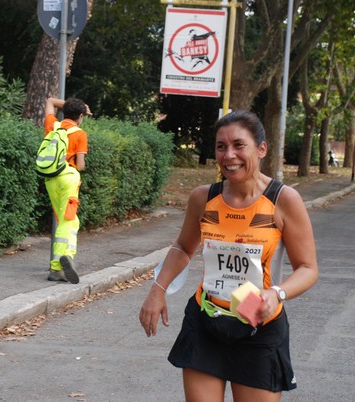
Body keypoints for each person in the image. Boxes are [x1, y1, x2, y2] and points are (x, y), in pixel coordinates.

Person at [139, 111, 318, 401]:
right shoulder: (203, 197)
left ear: (261, 149)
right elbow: (183, 247)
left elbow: (308, 268)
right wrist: (157, 290)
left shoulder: (282, 200)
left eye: (238, 145)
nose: (229, 155)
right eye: (221, 147)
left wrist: (277, 293)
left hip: (259, 329)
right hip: (207, 320)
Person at [43, 97, 91, 283]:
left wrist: (76, 107)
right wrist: (82, 108)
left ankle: (57, 268)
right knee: (69, 220)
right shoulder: (80, 133)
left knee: (64, 219)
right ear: (80, 116)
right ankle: (63, 260)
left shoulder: (53, 126)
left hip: (50, 178)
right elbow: (79, 165)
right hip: (68, 178)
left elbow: (50, 101)